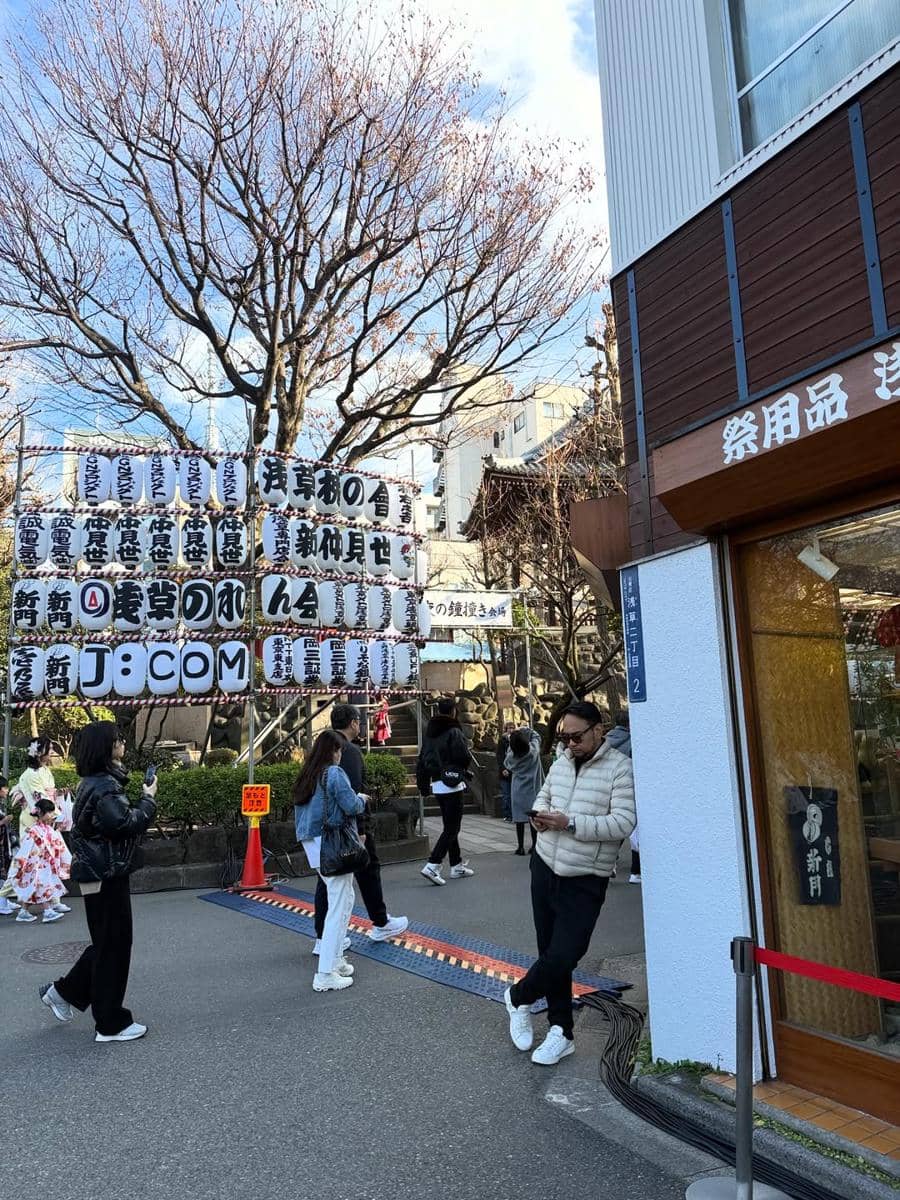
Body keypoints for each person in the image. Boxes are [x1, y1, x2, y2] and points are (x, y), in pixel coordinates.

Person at [503, 700, 635, 1066]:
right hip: (544, 865)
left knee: (565, 953)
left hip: (586, 876)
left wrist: (570, 822)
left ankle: (517, 997)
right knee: (551, 955)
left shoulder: (620, 769)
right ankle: (561, 1031)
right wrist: (539, 818)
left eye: (577, 737)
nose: (570, 744)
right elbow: (543, 797)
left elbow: (624, 823)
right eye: (564, 737)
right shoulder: (561, 761)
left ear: (599, 730)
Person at [40, 722, 157, 1042]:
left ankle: (63, 992)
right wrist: (148, 799)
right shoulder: (105, 785)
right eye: (117, 740)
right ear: (106, 747)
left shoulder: (98, 781)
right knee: (115, 945)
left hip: (99, 873)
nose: (122, 743)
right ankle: (109, 1023)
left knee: (109, 942)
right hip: (105, 874)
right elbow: (124, 823)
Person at [312, 705, 408, 954]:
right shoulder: (348, 751)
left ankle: (323, 937)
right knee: (365, 871)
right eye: (359, 720)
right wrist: (362, 827)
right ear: (354, 722)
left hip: (325, 828)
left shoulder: (321, 746)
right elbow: (353, 793)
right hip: (347, 828)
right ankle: (379, 922)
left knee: (329, 879)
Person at [294, 729, 365, 993]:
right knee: (339, 902)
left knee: (342, 897)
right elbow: (351, 805)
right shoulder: (333, 773)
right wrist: (361, 799)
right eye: (339, 751)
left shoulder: (308, 774)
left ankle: (336, 960)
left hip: (312, 841)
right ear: (333, 750)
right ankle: (325, 973)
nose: (340, 756)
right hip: (331, 840)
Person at [417, 698, 475, 885]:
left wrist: (423, 784)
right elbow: (463, 756)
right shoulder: (454, 731)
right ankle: (433, 864)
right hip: (452, 783)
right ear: (453, 712)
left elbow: (422, 758)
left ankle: (456, 864)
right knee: (452, 828)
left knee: (450, 825)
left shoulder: (430, 733)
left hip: (437, 784)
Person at [0, 736, 57, 905]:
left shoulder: (43, 771)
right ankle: (3, 895)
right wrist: (54, 814)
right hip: (34, 822)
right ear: (39, 753)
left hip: (43, 820)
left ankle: (52, 900)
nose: (52, 753)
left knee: (44, 861)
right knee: (26, 862)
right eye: (49, 749)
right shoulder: (30, 775)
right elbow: (39, 801)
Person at [6, 796, 72, 924]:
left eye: (53, 812)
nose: (52, 815)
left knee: (34, 888)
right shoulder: (35, 830)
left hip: (44, 864)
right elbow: (27, 849)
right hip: (35, 865)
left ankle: (23, 912)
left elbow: (56, 844)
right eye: (50, 812)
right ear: (41, 813)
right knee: (42, 886)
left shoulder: (45, 829)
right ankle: (47, 911)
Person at [605, 718, 640, 883]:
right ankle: (636, 871)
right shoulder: (633, 740)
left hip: (607, 786)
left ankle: (609, 862)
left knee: (614, 827)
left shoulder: (606, 740)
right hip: (627, 787)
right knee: (633, 829)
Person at [506, 727, 542, 856]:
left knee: (519, 820)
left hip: (517, 790)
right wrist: (528, 730)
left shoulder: (511, 757)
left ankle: (520, 847)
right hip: (532, 789)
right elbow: (537, 737)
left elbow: (508, 756)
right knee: (532, 818)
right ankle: (534, 845)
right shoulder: (533, 751)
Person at [0, 775, 19, 917]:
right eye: (4, 787)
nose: (7, 790)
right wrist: (4, 821)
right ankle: (1, 902)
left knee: (5, 869)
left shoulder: (1, 803)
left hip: (4, 843)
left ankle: (4, 900)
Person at [496, 721, 515, 821]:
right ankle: (507, 814)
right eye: (509, 728)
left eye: (512, 728)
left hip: (514, 771)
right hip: (504, 771)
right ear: (506, 729)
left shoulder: (516, 740)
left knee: (513, 795)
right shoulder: (502, 740)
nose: (511, 730)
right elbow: (499, 756)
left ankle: (513, 814)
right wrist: (503, 769)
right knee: (506, 795)